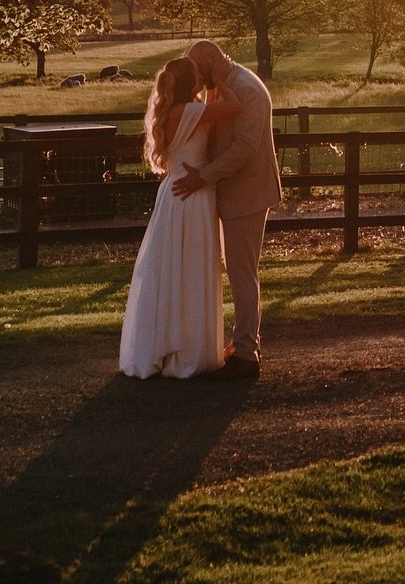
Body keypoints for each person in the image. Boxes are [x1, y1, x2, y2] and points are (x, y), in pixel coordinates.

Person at [119, 56, 239, 379]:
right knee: (191, 270)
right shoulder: (191, 112)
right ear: (192, 82)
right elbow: (235, 106)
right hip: (194, 197)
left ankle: (165, 342)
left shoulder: (175, 113)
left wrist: (207, 89)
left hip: (172, 193)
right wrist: (220, 76)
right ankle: (190, 349)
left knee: (168, 270)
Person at [170, 39, 283, 380]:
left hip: (247, 194)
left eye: (194, 68)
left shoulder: (247, 89)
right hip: (226, 193)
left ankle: (247, 354)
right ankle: (240, 343)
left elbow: (245, 147)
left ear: (208, 61)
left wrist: (203, 176)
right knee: (235, 272)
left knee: (242, 272)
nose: (192, 76)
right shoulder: (221, 87)